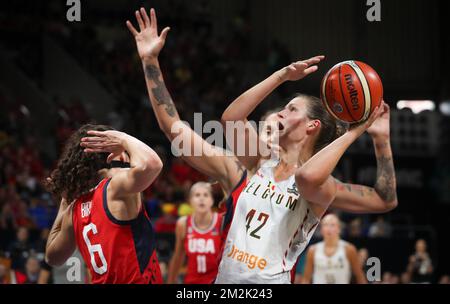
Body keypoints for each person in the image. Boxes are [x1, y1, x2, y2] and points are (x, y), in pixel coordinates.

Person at [125, 7, 397, 284]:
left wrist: (377, 137)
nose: (280, 112)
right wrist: (150, 60)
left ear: (312, 126)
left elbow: (384, 199)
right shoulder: (252, 167)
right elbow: (219, 121)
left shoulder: (321, 186)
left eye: (291, 109)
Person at [44, 124, 164, 284]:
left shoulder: (74, 209)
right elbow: (153, 164)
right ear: (111, 153)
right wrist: (123, 138)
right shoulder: (115, 188)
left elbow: (52, 257)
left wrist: (65, 201)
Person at [167, 182, 223, 284]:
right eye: (197, 195)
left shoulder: (221, 221)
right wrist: (170, 281)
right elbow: (178, 257)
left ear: (212, 200)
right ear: (190, 201)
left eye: (206, 195)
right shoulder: (183, 224)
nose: (202, 199)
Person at [302, 214, 366, 284]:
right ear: (321, 229)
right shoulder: (313, 250)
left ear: (339, 229)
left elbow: (360, 277)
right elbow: (306, 279)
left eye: (332, 225)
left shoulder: (349, 249)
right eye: (326, 225)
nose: (329, 228)